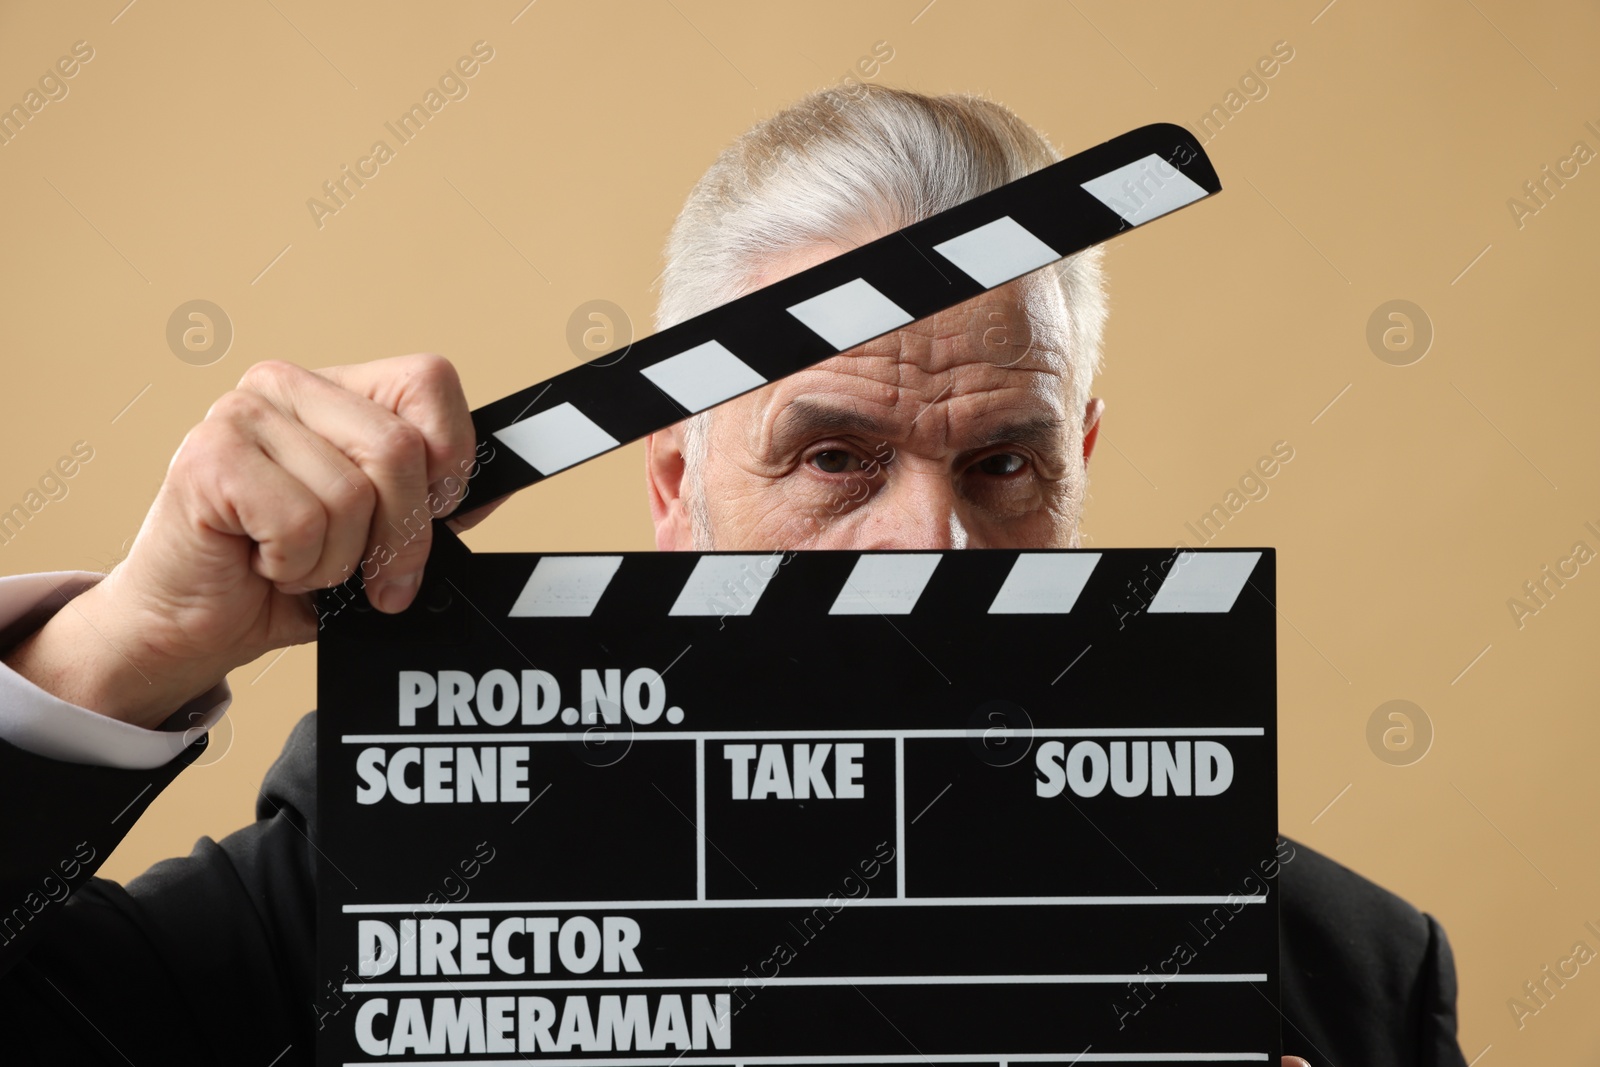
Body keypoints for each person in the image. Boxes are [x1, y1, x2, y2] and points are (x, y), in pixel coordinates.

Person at [0, 86, 1466, 1066]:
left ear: (1078, 468)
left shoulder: (1344, 981)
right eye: (832, 458)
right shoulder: (395, 884)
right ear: (673, 490)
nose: (925, 548)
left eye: (1003, 468)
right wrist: (117, 656)